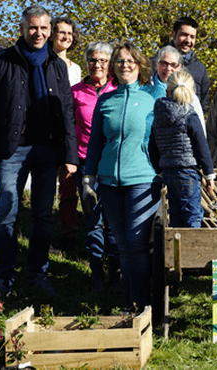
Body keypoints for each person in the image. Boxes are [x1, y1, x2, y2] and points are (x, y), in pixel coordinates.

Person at [0, 5, 78, 303]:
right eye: (33, 28)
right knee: (7, 212)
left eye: (44, 28)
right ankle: (3, 278)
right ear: (22, 28)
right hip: (11, 150)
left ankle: (38, 274)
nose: (39, 33)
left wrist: (69, 154)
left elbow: (67, 110)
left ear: (50, 30)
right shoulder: (1, 60)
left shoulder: (56, 64)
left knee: (43, 217)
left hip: (47, 150)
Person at [82, 42, 160, 313]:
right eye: (119, 62)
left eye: (130, 61)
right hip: (108, 183)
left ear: (139, 66)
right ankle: (129, 304)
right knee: (123, 247)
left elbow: (161, 141)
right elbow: (94, 144)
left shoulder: (152, 98)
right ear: (113, 67)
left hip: (142, 180)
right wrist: (87, 179)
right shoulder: (106, 100)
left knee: (137, 244)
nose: (125, 65)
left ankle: (143, 304)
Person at [71, 41, 119, 292]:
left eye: (102, 60)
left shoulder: (118, 89)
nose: (97, 65)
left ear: (110, 64)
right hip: (84, 163)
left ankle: (115, 271)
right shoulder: (76, 92)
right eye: (92, 60)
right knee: (92, 218)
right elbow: (68, 129)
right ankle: (96, 271)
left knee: (112, 219)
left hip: (112, 163)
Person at [150, 71, 215, 228]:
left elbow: (152, 145)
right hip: (187, 171)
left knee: (175, 214)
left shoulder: (159, 115)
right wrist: (209, 174)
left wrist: (158, 168)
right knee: (192, 214)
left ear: (167, 91)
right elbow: (201, 147)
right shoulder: (189, 115)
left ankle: (176, 251)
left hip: (167, 171)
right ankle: (191, 251)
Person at [48, 16, 82, 251]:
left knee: (68, 186)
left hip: (71, 132)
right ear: (51, 35)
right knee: (47, 187)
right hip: (49, 131)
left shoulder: (76, 68)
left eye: (69, 33)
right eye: (61, 32)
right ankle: (46, 236)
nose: (65, 37)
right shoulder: (44, 62)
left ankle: (70, 236)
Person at [153, 17, 209, 113]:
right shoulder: (154, 63)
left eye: (192, 37)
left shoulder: (200, 69)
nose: (188, 40)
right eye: (184, 35)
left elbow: (203, 105)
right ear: (173, 35)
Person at [151, 45, 206, 135]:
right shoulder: (145, 87)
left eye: (173, 65)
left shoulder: (188, 93)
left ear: (179, 67)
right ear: (157, 65)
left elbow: (199, 129)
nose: (168, 68)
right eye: (164, 63)